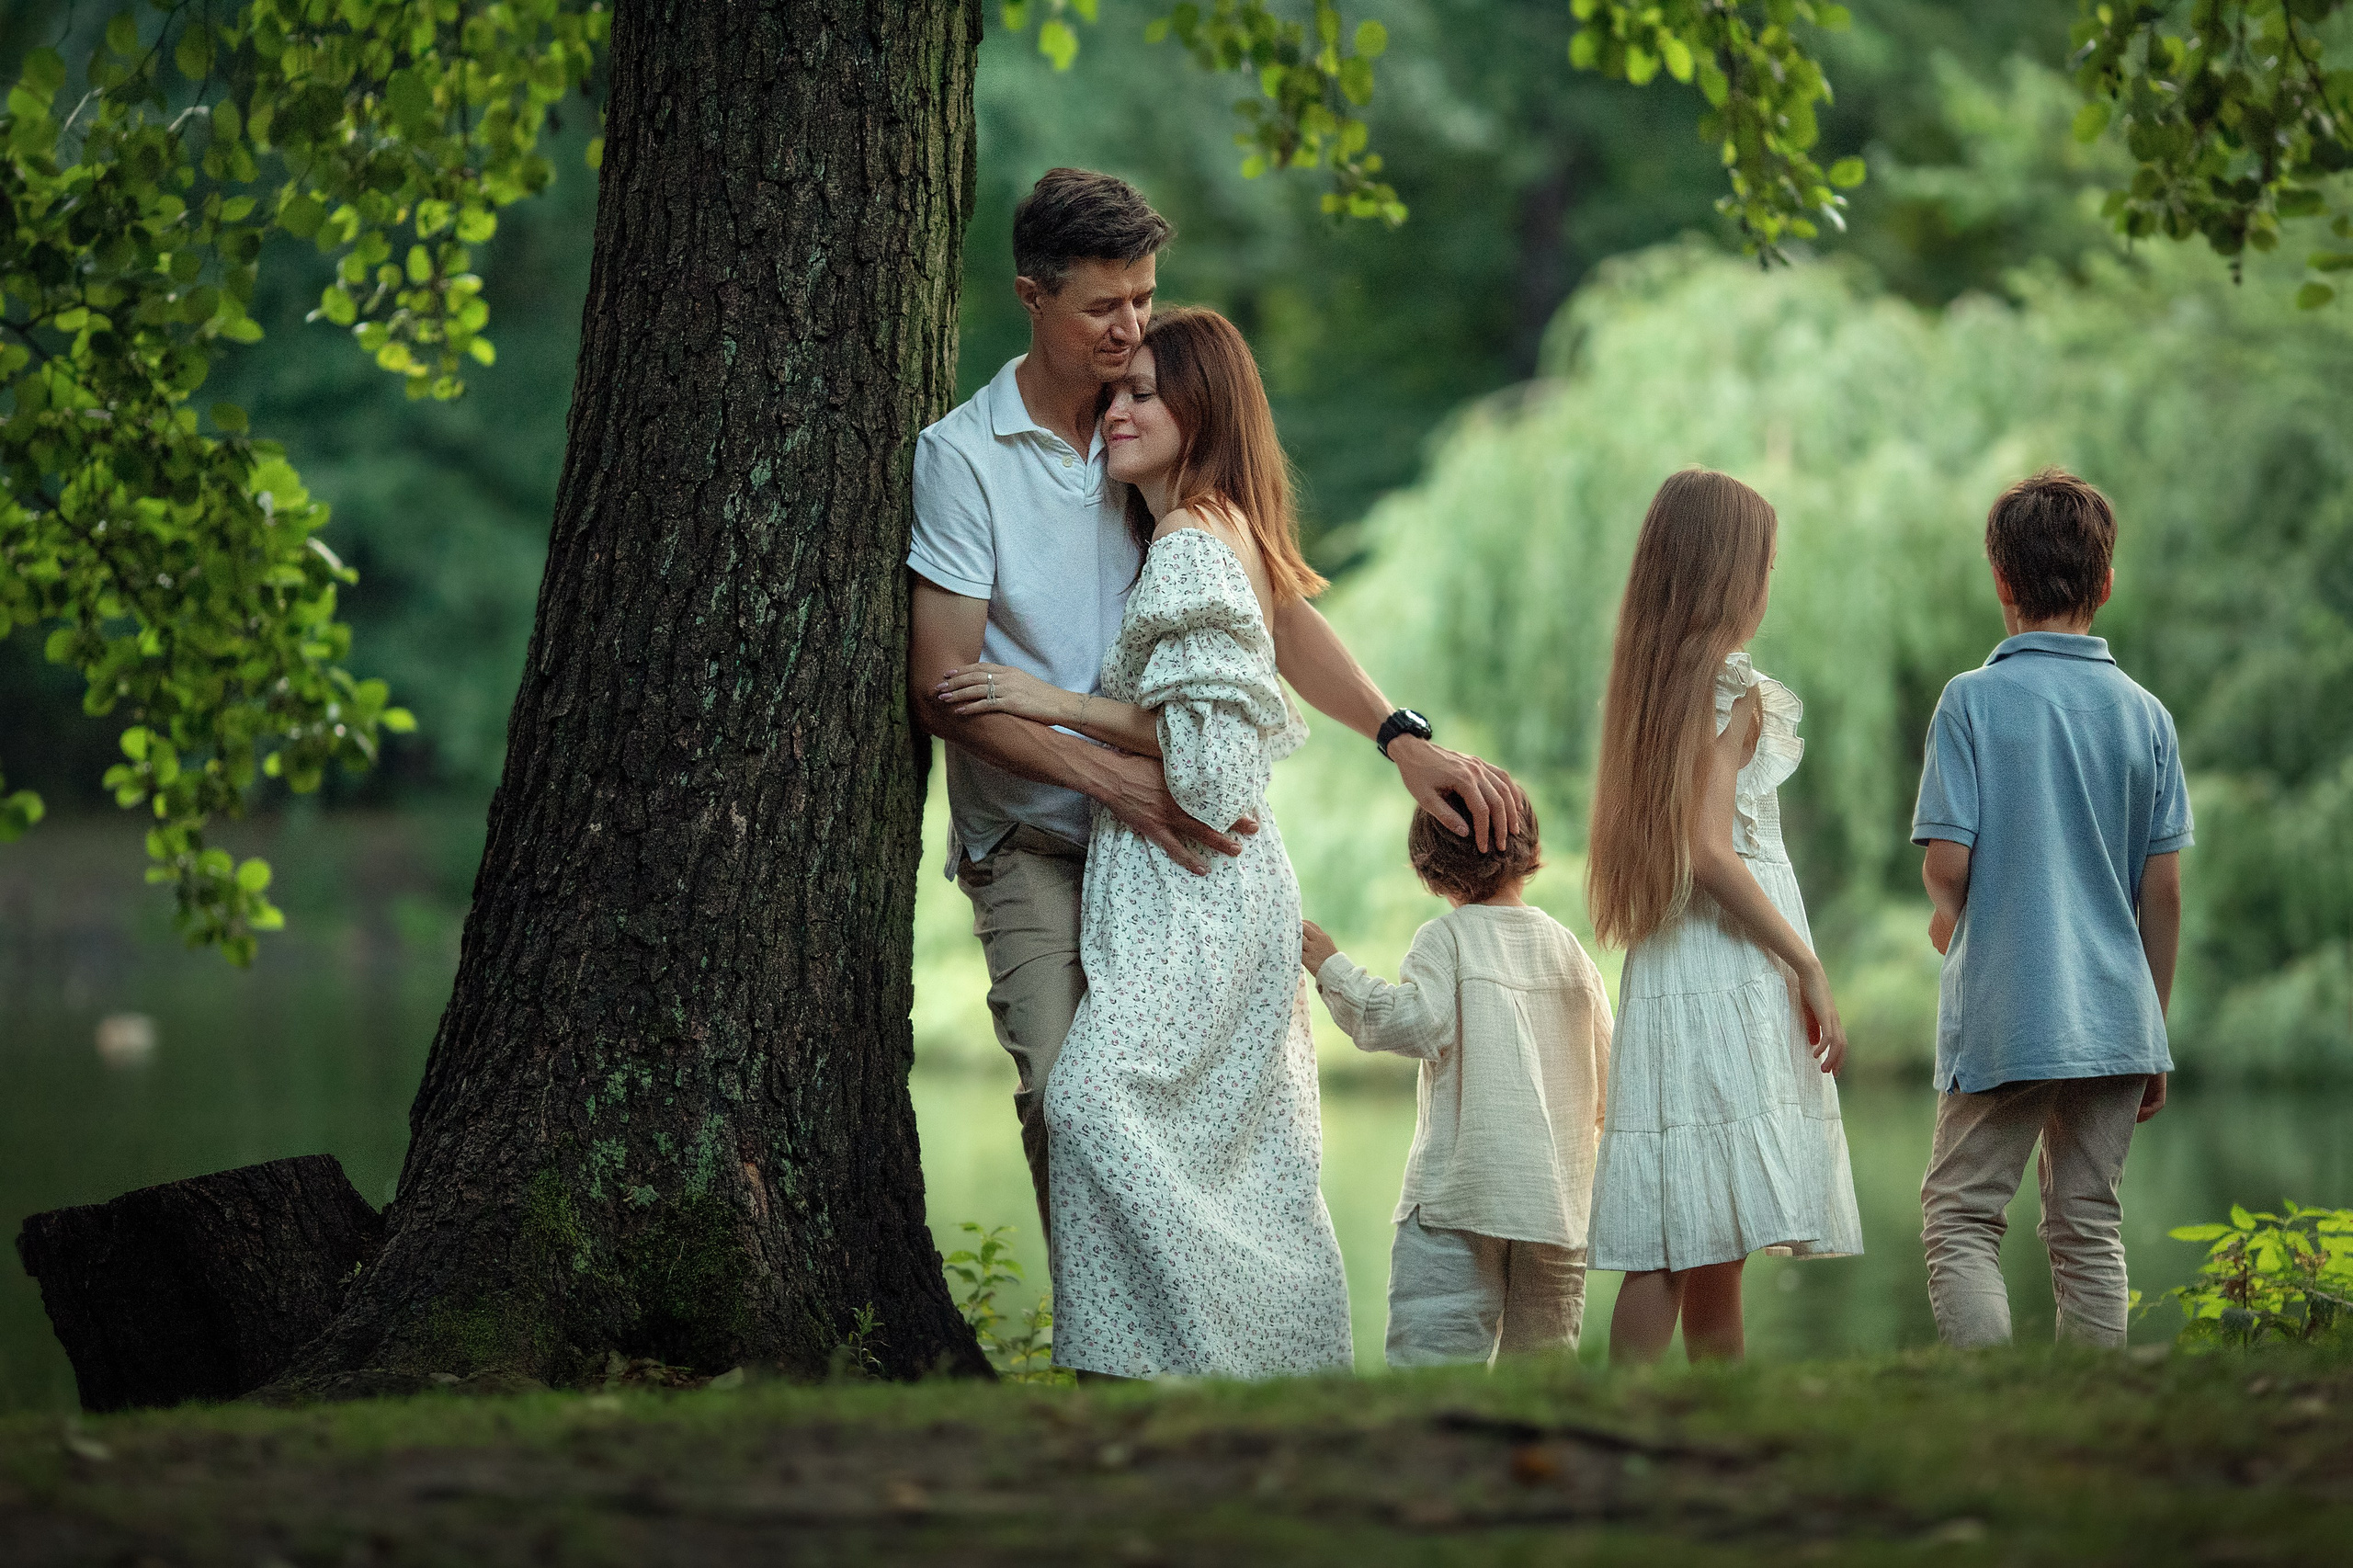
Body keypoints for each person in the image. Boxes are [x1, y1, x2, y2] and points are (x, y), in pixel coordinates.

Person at [907, 168, 1517, 1252]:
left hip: (1176, 852)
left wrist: (1398, 738)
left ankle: (1211, 1331)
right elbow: (943, 687)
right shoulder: (963, 461)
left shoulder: (1150, 423)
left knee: (1194, 1125)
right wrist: (1118, 783)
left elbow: (1268, 607)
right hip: (1038, 840)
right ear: (1032, 297)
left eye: (1144, 297)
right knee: (1066, 1104)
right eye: (1103, 305)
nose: (1130, 327)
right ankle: (1111, 1348)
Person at [936, 307, 1349, 1377]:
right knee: (1223, 1146)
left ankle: (1186, 1361)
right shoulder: (1214, 529)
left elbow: (1208, 775)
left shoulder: (1186, 543)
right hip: (1207, 884)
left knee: (1094, 1102)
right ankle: (1233, 1367)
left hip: (1194, 885)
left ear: (1198, 412)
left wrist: (1050, 701)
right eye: (1117, 391)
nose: (1116, 409)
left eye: (1144, 395)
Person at [1583, 468, 1862, 1366]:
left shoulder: (1655, 687)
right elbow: (1709, 852)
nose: (1768, 584)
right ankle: (1656, 1409)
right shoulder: (1728, 687)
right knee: (1691, 1233)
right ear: (1730, 574)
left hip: (1673, 969)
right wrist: (1805, 963)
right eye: (1764, 565)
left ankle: (1706, 1407)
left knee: (1698, 1223)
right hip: (1726, 966)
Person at [1912, 470, 2189, 1350]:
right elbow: (2162, 893)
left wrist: (1946, 917)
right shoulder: (2147, 716)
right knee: (2088, 1225)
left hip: (2007, 1011)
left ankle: (1992, 1401)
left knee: (1963, 1217)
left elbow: (1947, 866)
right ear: (2106, 582)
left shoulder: (1970, 701)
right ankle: (2094, 1407)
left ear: (2001, 580)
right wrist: (2154, 1029)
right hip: (2118, 1015)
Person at [1302, 780, 1612, 1369]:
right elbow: (1607, 1077)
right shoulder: (1569, 950)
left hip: (1461, 1193)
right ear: (1529, 848)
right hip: (1555, 1203)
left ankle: (1440, 1432)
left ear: (1431, 869)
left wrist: (1332, 969)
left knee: (1435, 1354)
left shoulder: (1445, 938)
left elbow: (1415, 1023)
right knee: (1542, 1365)